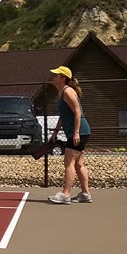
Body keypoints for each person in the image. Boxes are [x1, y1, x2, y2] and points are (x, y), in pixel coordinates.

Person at [47, 66, 91, 204]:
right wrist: (55, 132)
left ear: (62, 78)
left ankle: (65, 195)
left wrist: (76, 133)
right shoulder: (62, 93)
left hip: (79, 132)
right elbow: (63, 115)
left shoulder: (68, 92)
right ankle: (85, 194)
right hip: (78, 132)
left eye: (56, 75)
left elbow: (77, 112)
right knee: (79, 164)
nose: (53, 77)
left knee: (69, 163)